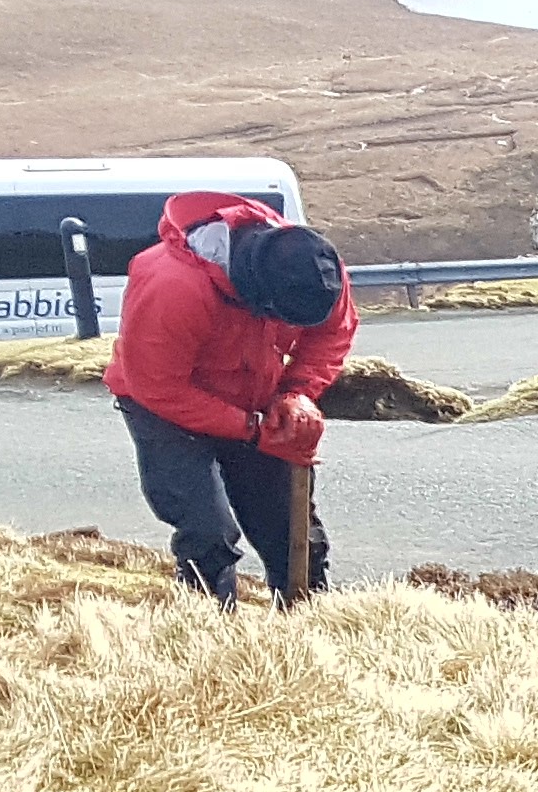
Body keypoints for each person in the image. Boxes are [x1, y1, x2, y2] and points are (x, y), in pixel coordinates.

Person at [103, 189, 359, 605]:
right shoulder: (172, 286)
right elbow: (160, 387)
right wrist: (250, 430)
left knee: (291, 530)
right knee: (208, 531)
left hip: (257, 398)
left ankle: (307, 624)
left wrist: (297, 394)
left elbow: (334, 332)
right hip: (165, 409)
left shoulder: (314, 269)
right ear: (256, 297)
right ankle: (208, 630)